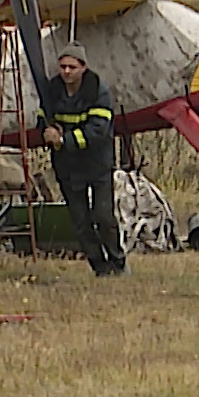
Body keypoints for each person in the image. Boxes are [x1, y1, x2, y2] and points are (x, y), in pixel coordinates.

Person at [40, 43, 125, 275]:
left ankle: (118, 262)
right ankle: (99, 266)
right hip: (67, 168)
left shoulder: (99, 92)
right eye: (63, 66)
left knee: (103, 216)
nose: (66, 71)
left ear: (83, 67)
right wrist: (47, 131)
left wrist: (63, 140)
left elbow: (98, 131)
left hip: (97, 165)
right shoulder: (51, 91)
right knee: (80, 221)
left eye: (72, 67)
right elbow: (43, 118)